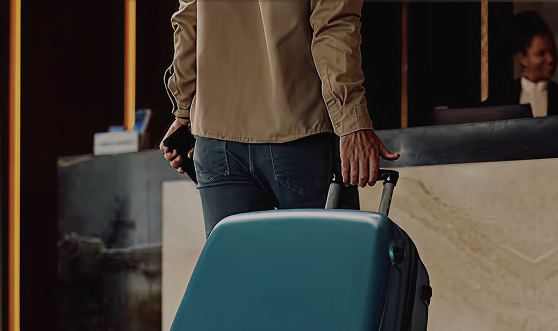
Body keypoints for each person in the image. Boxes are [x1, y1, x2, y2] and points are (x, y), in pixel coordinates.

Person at [160, 1, 399, 238]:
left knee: (235, 272)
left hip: (216, 140)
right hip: (299, 133)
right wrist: (352, 122)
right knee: (322, 268)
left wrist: (183, 110)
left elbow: (186, 22)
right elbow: (334, 27)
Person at [487, 11, 558, 117]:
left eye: (553, 51)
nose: (550, 59)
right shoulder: (501, 98)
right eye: (541, 53)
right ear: (523, 57)